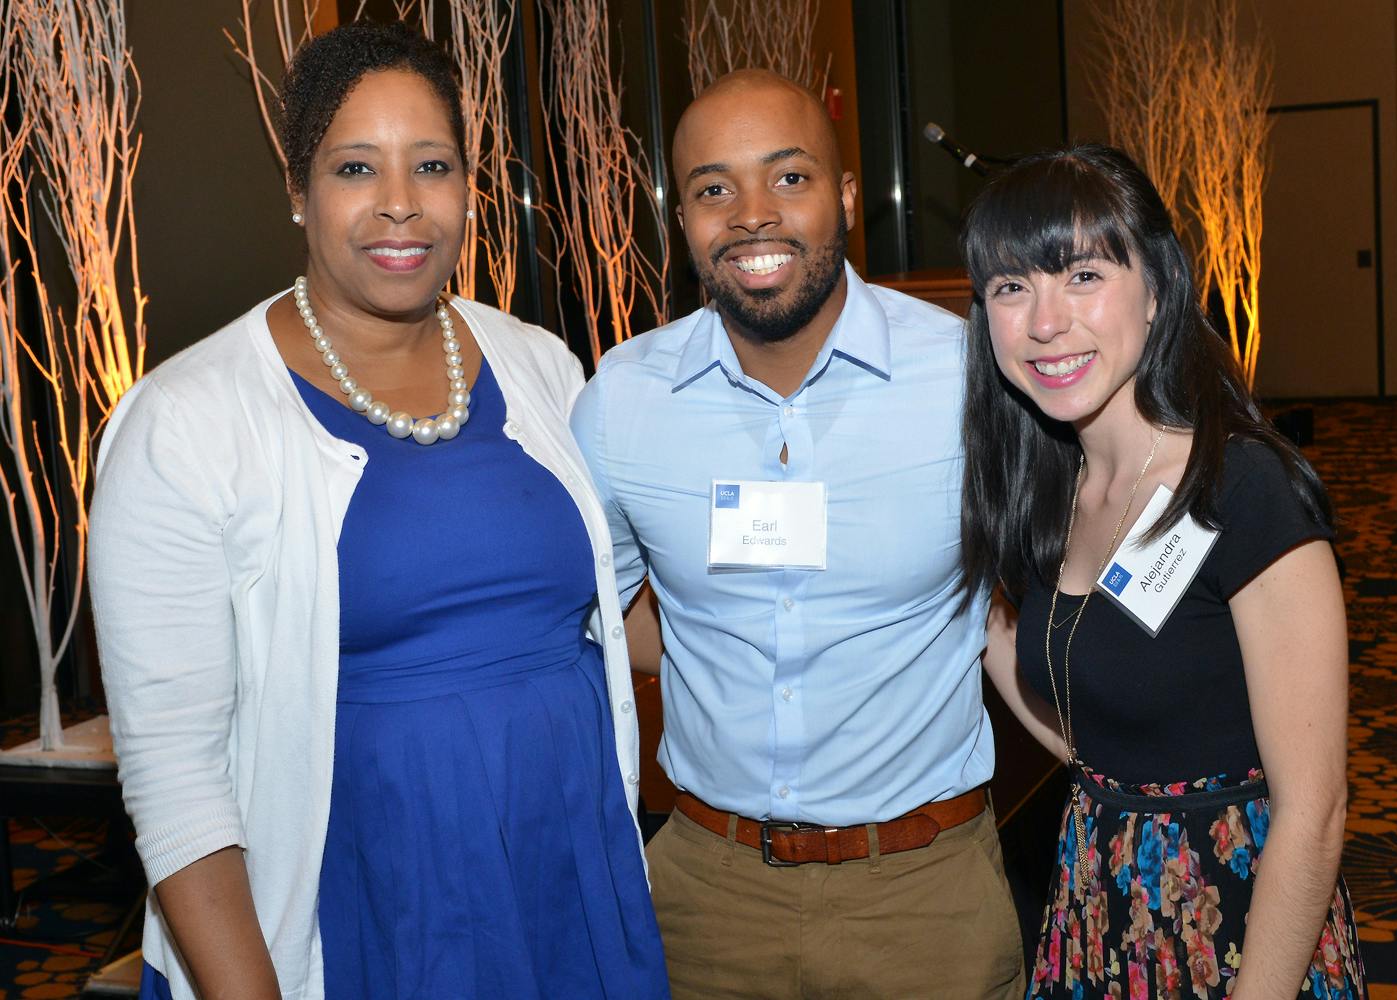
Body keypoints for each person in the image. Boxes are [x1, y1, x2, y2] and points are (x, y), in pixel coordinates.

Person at [89, 23, 667, 1000]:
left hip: (568, 884)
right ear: (297, 190)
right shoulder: (186, 421)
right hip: (369, 913)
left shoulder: (539, 365)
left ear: (470, 188)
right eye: (356, 166)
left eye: (431, 165)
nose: (400, 203)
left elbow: (623, 615)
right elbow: (175, 781)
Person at [570, 69, 1025, 999]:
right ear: (684, 218)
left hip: (926, 895)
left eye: (788, 178)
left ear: (846, 197)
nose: (750, 215)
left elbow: (1037, 596)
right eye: (712, 189)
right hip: (708, 899)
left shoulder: (972, 379)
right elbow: (601, 619)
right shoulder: (622, 400)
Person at [959, 144, 1365, 998]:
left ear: (1156, 289)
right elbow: (1075, 709)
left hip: (1238, 920)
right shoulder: (1047, 493)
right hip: (1096, 904)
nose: (1043, 321)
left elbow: (1316, 812)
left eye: (1081, 276)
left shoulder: (1242, 487)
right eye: (1010, 287)